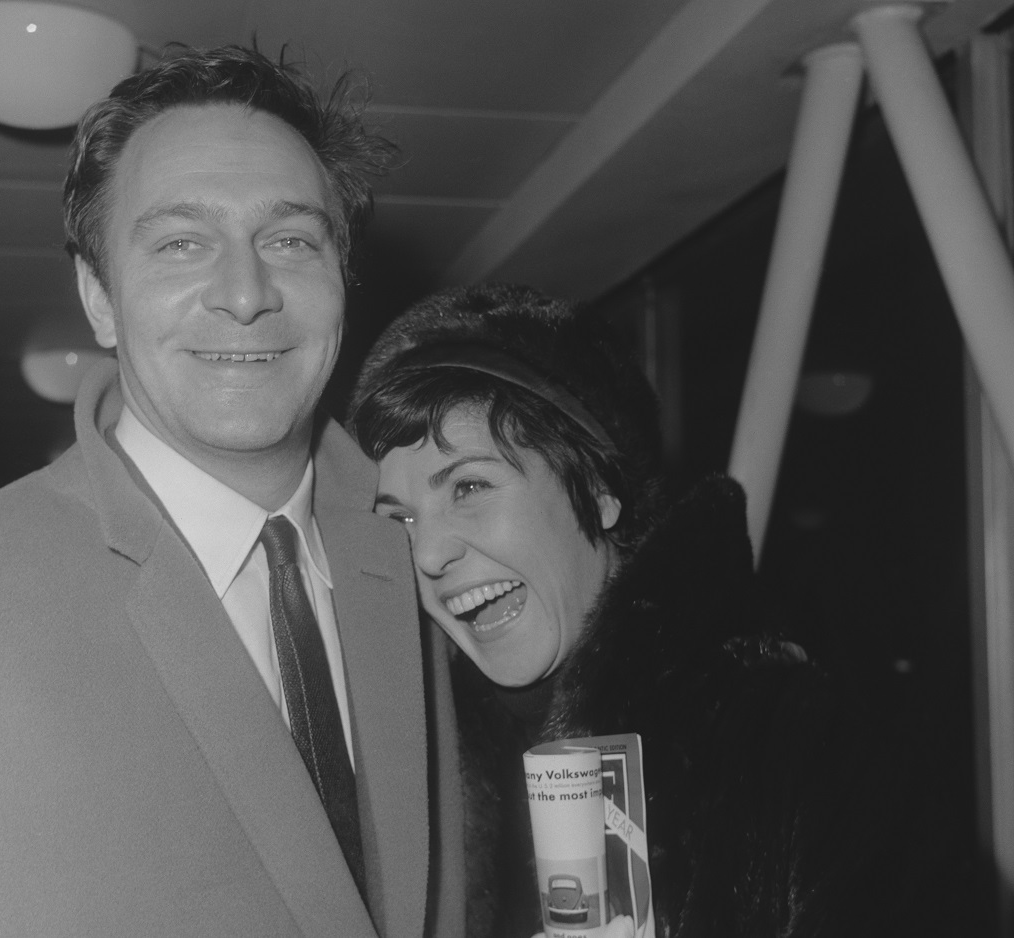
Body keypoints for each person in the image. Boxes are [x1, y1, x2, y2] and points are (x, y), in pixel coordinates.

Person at [0, 46, 464, 938]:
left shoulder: (425, 560)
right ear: (99, 298)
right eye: (182, 243)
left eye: (289, 240)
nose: (245, 293)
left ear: (341, 279)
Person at [348, 282, 983, 938]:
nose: (427, 554)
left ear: (597, 490)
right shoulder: (419, 776)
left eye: (469, 487)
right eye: (400, 520)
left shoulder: (807, 752)